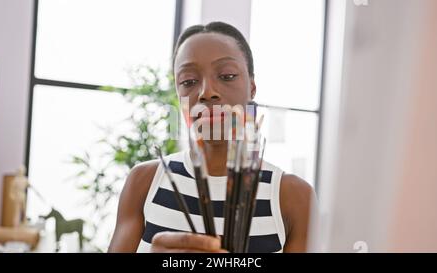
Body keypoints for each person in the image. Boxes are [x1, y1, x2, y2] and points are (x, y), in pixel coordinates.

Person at [108, 21, 317, 253]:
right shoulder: (144, 182)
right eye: (188, 82)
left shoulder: (292, 197)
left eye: (227, 76)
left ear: (252, 88)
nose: (207, 92)